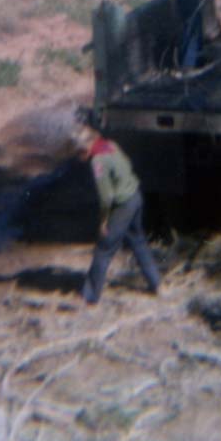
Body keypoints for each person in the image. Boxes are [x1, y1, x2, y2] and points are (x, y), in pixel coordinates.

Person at [74, 118, 162, 304]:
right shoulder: (111, 145)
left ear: (87, 144)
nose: (79, 154)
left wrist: (104, 220)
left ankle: (89, 296)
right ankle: (157, 284)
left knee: (103, 249)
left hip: (122, 205)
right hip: (136, 196)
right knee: (138, 241)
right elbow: (128, 165)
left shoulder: (98, 161)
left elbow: (106, 196)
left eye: (80, 150)